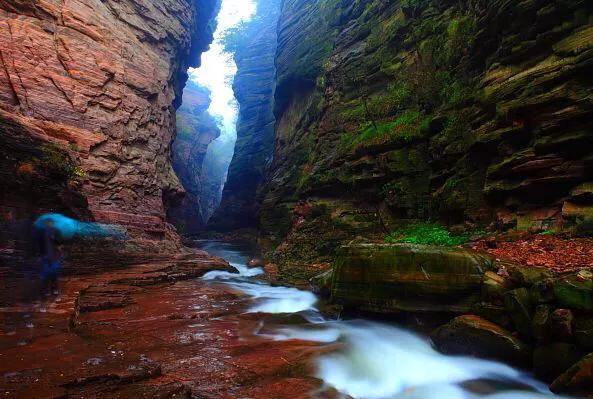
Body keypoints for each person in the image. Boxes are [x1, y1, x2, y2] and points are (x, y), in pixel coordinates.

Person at [38, 219, 61, 296]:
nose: (49, 225)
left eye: (50, 223)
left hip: (54, 256)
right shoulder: (42, 232)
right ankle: (47, 290)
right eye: (47, 223)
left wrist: (54, 239)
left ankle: (54, 289)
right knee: (46, 274)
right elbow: (40, 245)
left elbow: (59, 244)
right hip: (45, 256)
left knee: (54, 273)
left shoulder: (56, 231)